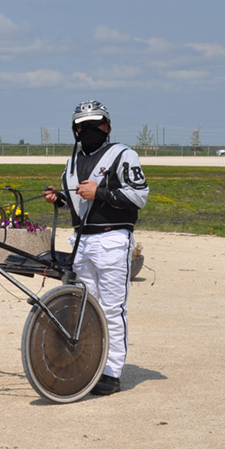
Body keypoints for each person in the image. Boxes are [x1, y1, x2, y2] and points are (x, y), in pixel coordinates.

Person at [43, 100, 149, 396]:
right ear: (75, 130)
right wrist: (59, 199)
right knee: (88, 308)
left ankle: (112, 373)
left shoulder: (123, 155)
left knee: (112, 309)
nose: (89, 130)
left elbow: (139, 196)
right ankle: (92, 363)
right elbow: (78, 199)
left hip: (113, 239)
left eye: (95, 124)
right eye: (83, 126)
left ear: (107, 126)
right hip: (82, 241)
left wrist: (99, 192)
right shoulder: (72, 163)